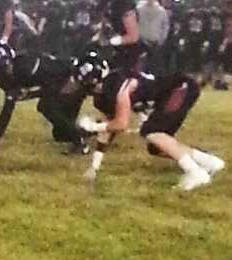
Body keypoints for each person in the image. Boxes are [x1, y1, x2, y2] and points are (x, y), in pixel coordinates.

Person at [74, 51, 225, 192]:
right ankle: (209, 162)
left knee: (151, 131)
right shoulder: (103, 97)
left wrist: (92, 126)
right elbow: (109, 128)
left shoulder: (118, 83)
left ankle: (196, 173)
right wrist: (94, 166)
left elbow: (121, 124)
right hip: (170, 94)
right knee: (156, 147)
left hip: (179, 87)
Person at [0, 42, 88, 154]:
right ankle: (93, 127)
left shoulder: (27, 65)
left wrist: (31, 94)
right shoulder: (7, 79)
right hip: (59, 85)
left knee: (46, 107)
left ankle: (81, 144)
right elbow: (7, 111)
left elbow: (53, 85)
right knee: (61, 135)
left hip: (72, 79)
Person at [92, 0, 146, 74]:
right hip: (115, 53)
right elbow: (105, 26)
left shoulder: (125, 5)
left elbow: (133, 36)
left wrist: (111, 42)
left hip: (131, 54)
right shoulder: (107, 5)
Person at [137, 0, 170, 74]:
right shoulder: (139, 10)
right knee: (142, 66)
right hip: (142, 41)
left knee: (155, 66)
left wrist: (162, 39)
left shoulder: (161, 11)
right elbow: (135, 23)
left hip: (155, 42)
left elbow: (165, 25)